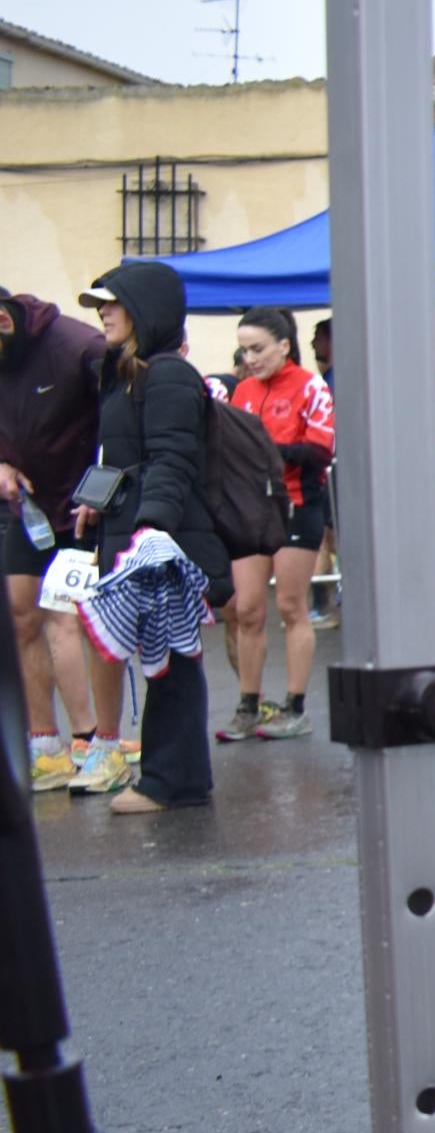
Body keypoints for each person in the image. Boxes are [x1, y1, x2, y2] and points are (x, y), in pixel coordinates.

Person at [71, 262, 225, 813]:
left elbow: (171, 461)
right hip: (140, 535)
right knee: (163, 658)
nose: (103, 313)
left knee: (173, 661)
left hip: (163, 542)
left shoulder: (166, 376)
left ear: (145, 309)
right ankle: (173, 778)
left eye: (112, 302)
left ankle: (169, 782)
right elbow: (130, 461)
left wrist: (150, 527)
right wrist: (100, 503)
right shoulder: (129, 374)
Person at [1, 283, 109, 791]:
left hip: (81, 506)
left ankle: (89, 740)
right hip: (28, 507)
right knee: (19, 611)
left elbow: (121, 418)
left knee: (61, 615)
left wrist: (104, 487)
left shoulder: (76, 345)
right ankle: (45, 744)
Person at [214, 308, 335, 741]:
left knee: (290, 606)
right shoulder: (242, 390)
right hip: (250, 510)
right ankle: (249, 706)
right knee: (245, 609)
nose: (251, 358)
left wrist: (266, 450)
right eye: (245, 350)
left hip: (298, 504)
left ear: (284, 345)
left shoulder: (312, 386)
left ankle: (295, 706)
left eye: (259, 349)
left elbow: (319, 452)